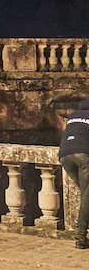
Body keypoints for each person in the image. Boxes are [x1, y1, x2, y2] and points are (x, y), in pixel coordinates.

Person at [59, 97, 89, 249]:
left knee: (86, 194)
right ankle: (81, 237)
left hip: (64, 156)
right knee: (87, 196)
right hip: (82, 155)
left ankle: (82, 235)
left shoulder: (72, 116)